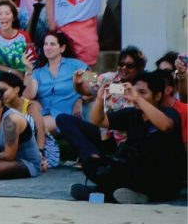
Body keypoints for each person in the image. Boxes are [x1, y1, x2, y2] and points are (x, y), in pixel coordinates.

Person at [63, 71, 184, 203]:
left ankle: (102, 193)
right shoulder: (132, 113)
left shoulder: (169, 113)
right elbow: (99, 121)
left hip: (162, 178)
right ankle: (117, 193)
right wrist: (99, 99)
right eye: (136, 92)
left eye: (143, 92)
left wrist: (137, 98)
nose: (124, 68)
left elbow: (165, 125)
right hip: (133, 172)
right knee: (92, 163)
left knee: (127, 170)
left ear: (157, 96)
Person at [31, 31, 87, 151]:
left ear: (62, 48)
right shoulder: (38, 72)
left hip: (63, 115)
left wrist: (81, 100)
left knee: (31, 127)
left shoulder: (76, 66)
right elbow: (29, 95)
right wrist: (27, 72)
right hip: (43, 114)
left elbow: (96, 82)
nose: (48, 47)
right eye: (46, 44)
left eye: (52, 44)